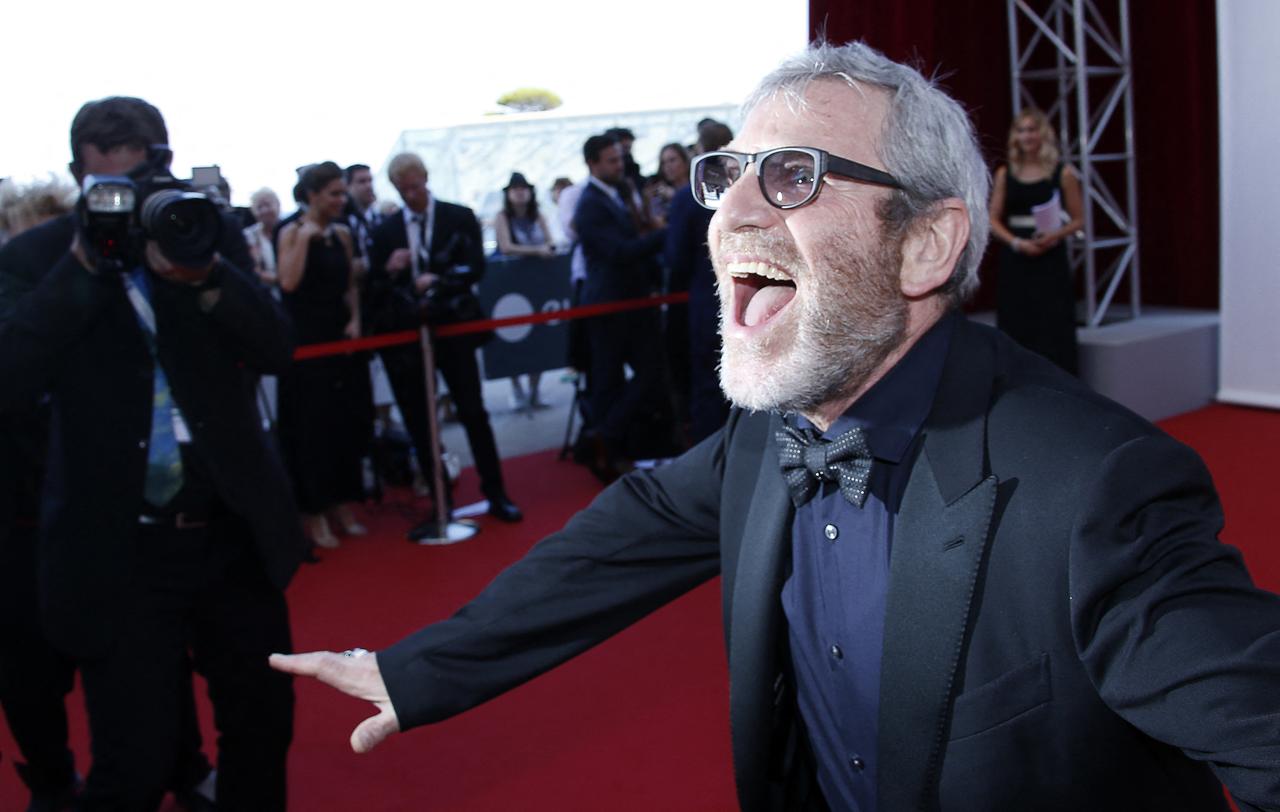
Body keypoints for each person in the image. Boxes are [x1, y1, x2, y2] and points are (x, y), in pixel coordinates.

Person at [274, 42, 1280, 811]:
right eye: (727, 175)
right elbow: (620, 535)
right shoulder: (767, 432)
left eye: (793, 175)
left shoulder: (1096, 488)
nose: (727, 215)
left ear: (925, 242)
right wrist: (412, 668)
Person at [0, 96, 306, 811]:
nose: (132, 199)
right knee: (133, 762)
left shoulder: (205, 234)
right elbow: (8, 379)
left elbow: (276, 348)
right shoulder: (35, 259)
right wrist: (84, 266)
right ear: (79, 180)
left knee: (262, 726)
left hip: (229, 527)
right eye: (109, 187)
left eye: (144, 178)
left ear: (166, 162)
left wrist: (206, 280)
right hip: (118, 548)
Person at [366, 152, 522, 534]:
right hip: (409, 338)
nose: (411, 194)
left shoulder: (458, 216)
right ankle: (440, 500)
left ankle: (496, 491)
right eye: (403, 190)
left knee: (473, 412)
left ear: (426, 178)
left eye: (415, 186)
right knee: (421, 421)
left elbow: (475, 268)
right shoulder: (386, 232)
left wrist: (436, 281)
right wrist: (392, 270)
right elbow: (375, 284)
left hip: (454, 329)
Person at [276, 161, 372, 549]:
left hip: (339, 339)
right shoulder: (291, 232)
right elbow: (288, 282)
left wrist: (355, 320)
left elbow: (350, 285)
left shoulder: (344, 234)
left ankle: (342, 504)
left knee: (342, 425)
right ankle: (314, 512)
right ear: (312, 196)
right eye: (333, 193)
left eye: (342, 192)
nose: (341, 199)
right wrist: (305, 238)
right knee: (310, 430)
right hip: (304, 343)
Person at [574, 133, 669, 478]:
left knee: (645, 373)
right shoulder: (590, 205)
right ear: (593, 164)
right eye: (612, 161)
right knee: (612, 379)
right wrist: (664, 234)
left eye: (619, 159)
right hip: (610, 306)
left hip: (629, 302)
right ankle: (605, 440)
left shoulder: (614, 195)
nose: (619, 165)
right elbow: (618, 253)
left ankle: (607, 440)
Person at [989, 107, 1084, 374]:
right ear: (1015, 136)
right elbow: (993, 218)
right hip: (1016, 256)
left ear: (1042, 134)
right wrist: (1017, 244)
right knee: (1017, 318)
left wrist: (1054, 236)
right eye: (1022, 130)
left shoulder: (1062, 173)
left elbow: (1078, 219)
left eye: (1032, 129)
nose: (1027, 136)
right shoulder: (1005, 174)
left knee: (1052, 320)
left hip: (1050, 256)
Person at [665, 123, 733, 444]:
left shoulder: (688, 197)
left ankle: (712, 475)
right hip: (754, 297)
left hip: (706, 304)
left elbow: (675, 259)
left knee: (708, 388)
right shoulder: (750, 186)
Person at [493, 171, 554, 411]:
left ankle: (535, 390)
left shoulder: (537, 215)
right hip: (509, 285)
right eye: (515, 189)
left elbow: (550, 241)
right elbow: (506, 247)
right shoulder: (502, 217)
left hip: (536, 283)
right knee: (513, 337)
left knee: (537, 339)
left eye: (524, 188)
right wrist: (537, 251)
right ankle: (517, 389)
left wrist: (543, 250)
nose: (520, 192)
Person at [244, 187, 281, 288]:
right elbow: (255, 269)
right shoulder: (250, 235)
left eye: (268, 205)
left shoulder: (291, 229)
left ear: (278, 205)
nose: (265, 210)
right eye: (259, 207)